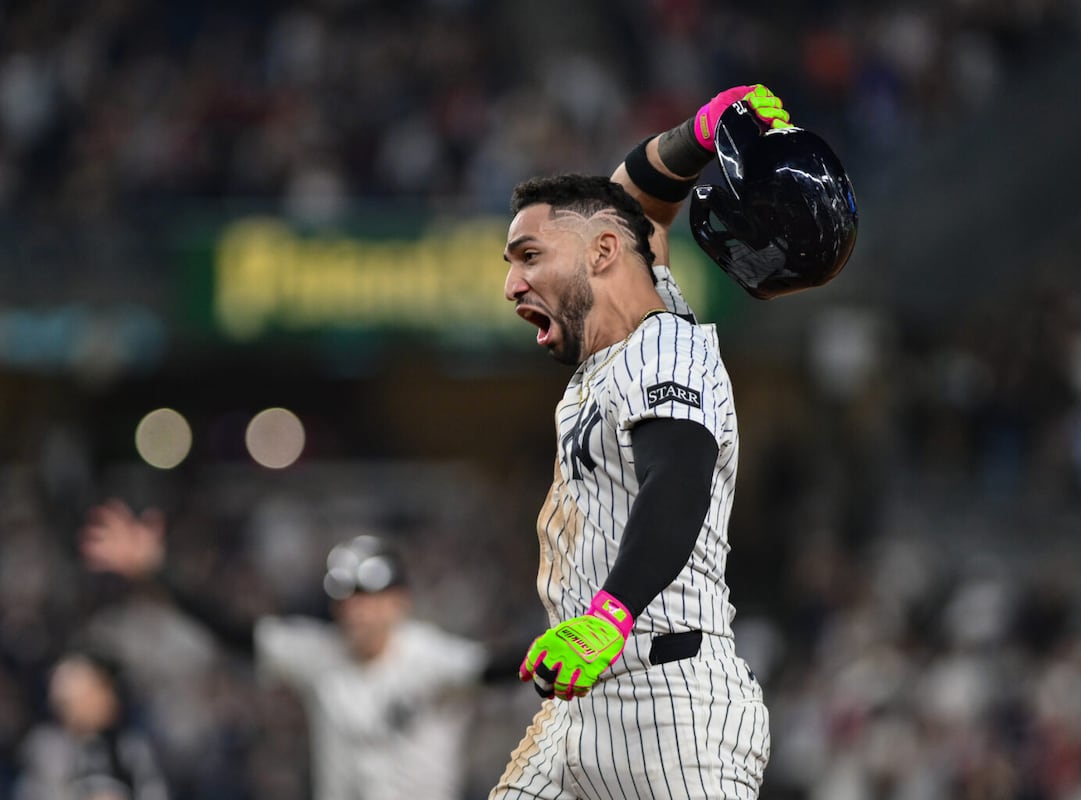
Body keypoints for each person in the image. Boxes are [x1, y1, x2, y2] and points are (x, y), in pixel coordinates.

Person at [490, 84, 791, 799]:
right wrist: (701, 130)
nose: (512, 284)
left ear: (601, 254)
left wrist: (608, 616)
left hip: (671, 709)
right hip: (578, 705)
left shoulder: (666, 349)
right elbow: (629, 200)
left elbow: (678, 480)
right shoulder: (621, 344)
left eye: (528, 255)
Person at [78, 498, 492, 800]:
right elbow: (231, 630)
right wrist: (157, 572)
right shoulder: (319, 654)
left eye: (369, 596)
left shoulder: (434, 658)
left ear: (401, 601)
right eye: (348, 598)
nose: (358, 611)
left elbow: (506, 667)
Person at [14, 647, 171, 800]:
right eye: (94, 692)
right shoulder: (46, 749)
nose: (109, 697)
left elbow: (154, 790)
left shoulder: (131, 747)